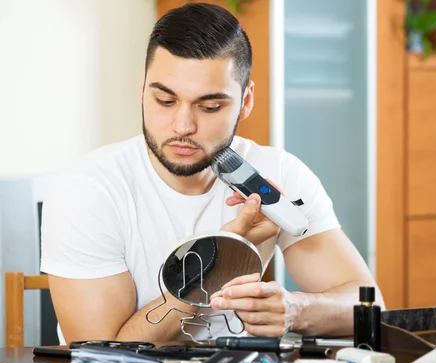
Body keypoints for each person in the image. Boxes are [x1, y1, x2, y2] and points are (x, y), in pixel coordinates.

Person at [40, 2, 385, 345]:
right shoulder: (87, 190)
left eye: (210, 107)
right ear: (142, 90)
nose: (183, 125)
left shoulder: (277, 174)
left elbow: (369, 306)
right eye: (165, 101)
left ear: (246, 101)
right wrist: (217, 260)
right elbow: (101, 353)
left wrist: (295, 309)